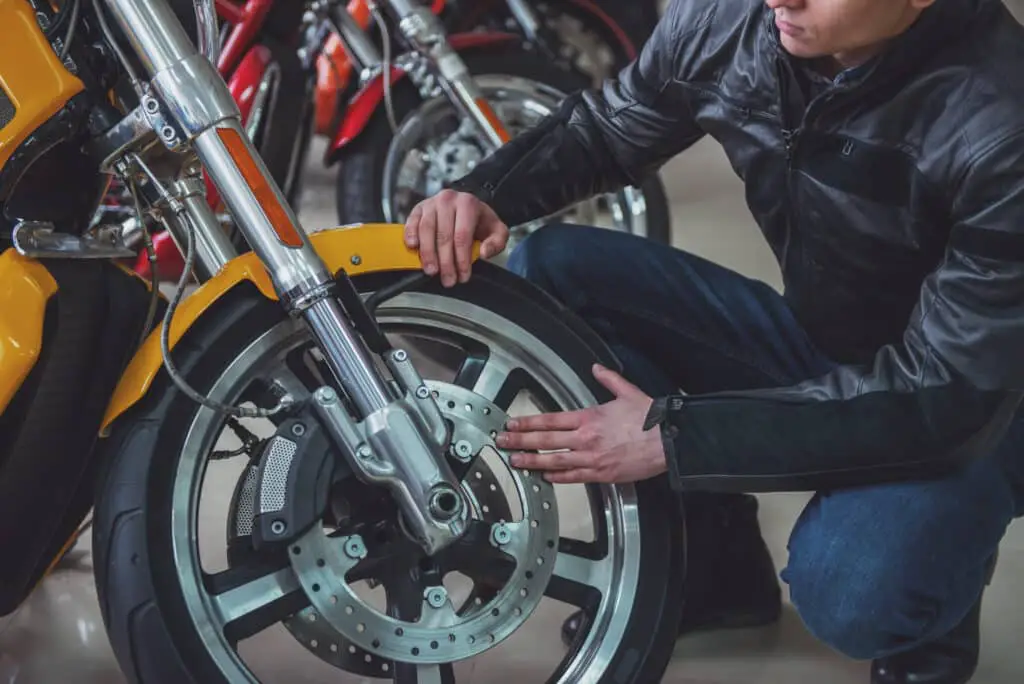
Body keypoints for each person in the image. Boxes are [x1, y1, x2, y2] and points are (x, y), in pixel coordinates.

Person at [402, 0, 1024, 682]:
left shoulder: (1001, 120)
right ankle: (721, 568)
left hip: (977, 402)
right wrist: (486, 193)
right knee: (556, 272)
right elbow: (610, 129)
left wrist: (675, 436)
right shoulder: (734, 22)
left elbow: (947, 395)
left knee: (854, 590)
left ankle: (933, 626)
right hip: (827, 341)